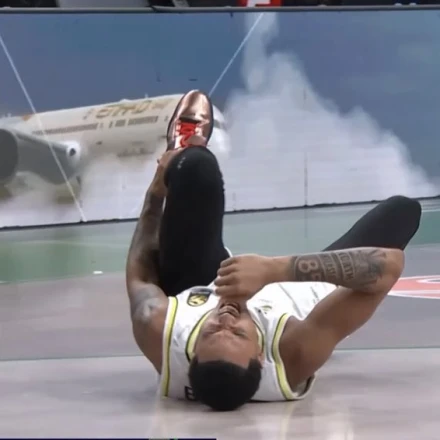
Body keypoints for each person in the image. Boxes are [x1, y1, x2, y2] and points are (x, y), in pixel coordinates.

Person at [125, 89, 422, 412]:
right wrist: (274, 270)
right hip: (307, 293)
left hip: (206, 281)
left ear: (192, 350)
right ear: (261, 355)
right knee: (403, 211)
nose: (226, 317)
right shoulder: (294, 353)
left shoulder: (158, 332)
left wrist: (155, 192)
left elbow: (140, 272)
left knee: (195, 166)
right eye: (238, 333)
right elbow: (391, 266)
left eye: (211, 331)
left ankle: (180, 152)